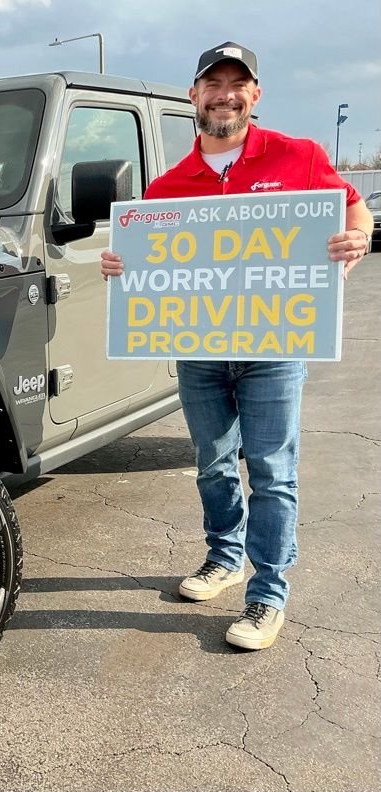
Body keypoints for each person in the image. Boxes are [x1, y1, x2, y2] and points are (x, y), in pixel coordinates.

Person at [100, 42, 373, 651]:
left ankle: (266, 595)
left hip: (274, 348)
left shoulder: (298, 157)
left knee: (272, 472)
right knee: (214, 462)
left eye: (237, 83)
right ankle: (223, 557)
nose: (225, 94)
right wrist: (123, 264)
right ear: (194, 96)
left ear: (255, 94)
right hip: (199, 350)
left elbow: (356, 213)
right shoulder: (169, 186)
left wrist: (353, 243)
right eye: (212, 83)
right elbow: (148, 262)